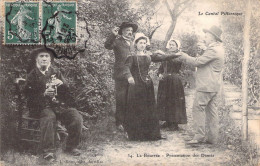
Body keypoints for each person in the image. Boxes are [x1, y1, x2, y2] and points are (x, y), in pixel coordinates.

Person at [24, 48, 83, 162]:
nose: (44, 58)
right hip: (41, 107)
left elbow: (68, 93)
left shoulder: (56, 72)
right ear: (36, 59)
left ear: (50, 59)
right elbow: (28, 95)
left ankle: (71, 146)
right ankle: (48, 151)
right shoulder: (32, 75)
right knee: (49, 117)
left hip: (58, 106)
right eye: (41, 56)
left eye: (47, 56)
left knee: (76, 116)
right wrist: (43, 93)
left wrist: (62, 84)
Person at [123, 33, 180, 141]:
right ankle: (135, 134)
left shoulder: (149, 55)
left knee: (148, 108)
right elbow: (126, 68)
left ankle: (149, 134)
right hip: (135, 84)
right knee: (136, 108)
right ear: (136, 44)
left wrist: (176, 55)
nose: (143, 45)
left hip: (147, 84)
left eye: (144, 43)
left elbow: (163, 57)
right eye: (140, 43)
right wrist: (129, 77)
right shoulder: (131, 56)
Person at [178, 25, 225, 144]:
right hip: (214, 86)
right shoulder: (219, 49)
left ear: (214, 38)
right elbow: (209, 61)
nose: (205, 38)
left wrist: (184, 55)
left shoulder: (213, 50)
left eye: (207, 36)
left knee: (197, 109)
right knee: (212, 111)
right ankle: (213, 138)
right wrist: (204, 50)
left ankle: (199, 136)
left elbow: (197, 62)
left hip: (205, 86)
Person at [104, 22, 138, 130]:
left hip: (132, 74)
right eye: (127, 30)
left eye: (131, 31)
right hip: (120, 74)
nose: (130, 32)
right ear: (122, 31)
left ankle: (129, 121)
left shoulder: (133, 43)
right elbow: (107, 45)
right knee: (121, 98)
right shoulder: (117, 41)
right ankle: (119, 123)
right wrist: (113, 35)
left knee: (131, 98)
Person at [157, 39, 187, 131]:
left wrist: (164, 55)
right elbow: (161, 68)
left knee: (174, 101)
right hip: (165, 81)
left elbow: (175, 63)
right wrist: (159, 74)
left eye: (173, 45)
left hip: (174, 80)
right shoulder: (166, 56)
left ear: (177, 47)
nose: (170, 46)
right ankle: (167, 121)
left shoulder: (179, 56)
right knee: (165, 100)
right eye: (170, 44)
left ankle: (174, 122)